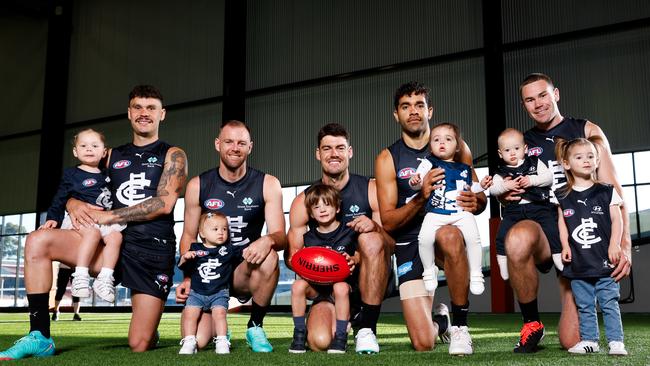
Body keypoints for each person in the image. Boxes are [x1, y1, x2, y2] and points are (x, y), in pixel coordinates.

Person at [0, 85, 187, 360]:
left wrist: (109, 216)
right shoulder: (109, 155)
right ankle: (40, 335)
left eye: (151, 108)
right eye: (137, 107)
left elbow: (165, 203)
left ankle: (149, 326)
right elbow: (78, 183)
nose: (144, 113)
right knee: (37, 241)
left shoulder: (173, 154)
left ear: (163, 114)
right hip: (105, 244)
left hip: (151, 250)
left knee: (140, 343)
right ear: (129, 113)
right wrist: (72, 203)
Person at [504, 73, 632, 353]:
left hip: (580, 237)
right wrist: (504, 191)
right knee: (516, 238)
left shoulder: (586, 131)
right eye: (529, 99)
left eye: (543, 95)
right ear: (524, 105)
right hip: (542, 227)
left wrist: (624, 246)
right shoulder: (521, 144)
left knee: (572, 341)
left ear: (556, 94)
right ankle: (531, 325)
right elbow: (507, 191)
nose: (538, 104)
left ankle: (587, 299)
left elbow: (614, 193)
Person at [375, 81, 485, 355]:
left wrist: (478, 201)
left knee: (449, 235)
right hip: (411, 242)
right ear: (396, 115)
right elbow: (388, 222)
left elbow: (478, 196)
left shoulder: (456, 146)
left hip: (447, 231)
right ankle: (441, 321)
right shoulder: (388, 158)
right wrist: (421, 196)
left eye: (419, 105)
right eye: (405, 106)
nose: (413, 111)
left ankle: (460, 326)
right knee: (423, 342)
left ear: (430, 111)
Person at [175, 120, 286, 353]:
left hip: (243, 270)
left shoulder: (268, 183)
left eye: (241, 143)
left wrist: (267, 240)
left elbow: (280, 236)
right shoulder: (198, 185)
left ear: (250, 147)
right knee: (201, 341)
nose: (235, 147)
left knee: (270, 256)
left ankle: (255, 326)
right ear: (217, 144)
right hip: (210, 274)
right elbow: (187, 235)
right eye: (228, 142)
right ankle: (218, 322)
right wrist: (188, 277)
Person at [286, 122, 395, 354]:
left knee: (371, 238)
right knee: (320, 342)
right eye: (327, 148)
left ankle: (367, 326)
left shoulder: (369, 189)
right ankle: (345, 320)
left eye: (340, 147)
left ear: (350, 152)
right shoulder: (303, 201)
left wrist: (374, 227)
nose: (334, 154)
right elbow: (292, 256)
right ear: (318, 154)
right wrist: (321, 265)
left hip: (365, 282)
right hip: (326, 288)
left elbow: (391, 244)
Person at [555, 138, 627, 356]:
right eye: (579, 157)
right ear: (566, 163)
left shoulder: (606, 191)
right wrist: (565, 245)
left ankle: (616, 342)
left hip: (605, 260)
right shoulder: (562, 195)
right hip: (579, 262)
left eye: (590, 156)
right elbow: (562, 223)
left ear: (596, 161)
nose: (586, 161)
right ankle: (590, 341)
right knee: (585, 304)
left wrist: (615, 244)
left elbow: (618, 220)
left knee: (609, 302)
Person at [39, 128, 124, 303]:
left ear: (104, 152)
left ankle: (105, 278)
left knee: (116, 237)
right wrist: (52, 218)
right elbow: (60, 198)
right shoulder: (72, 174)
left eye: (94, 145)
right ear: (75, 151)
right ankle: (81, 275)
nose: (89, 149)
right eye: (83, 146)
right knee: (92, 233)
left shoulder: (108, 175)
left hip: (103, 220)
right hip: (81, 220)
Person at [408, 122, 488, 295]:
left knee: (474, 240)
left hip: (460, 212)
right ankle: (429, 271)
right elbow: (418, 182)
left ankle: (476, 274)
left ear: (458, 146)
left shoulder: (465, 168)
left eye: (448, 139)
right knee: (424, 239)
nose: (441, 143)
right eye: (436, 140)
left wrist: (481, 185)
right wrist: (415, 182)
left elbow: (472, 189)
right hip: (436, 212)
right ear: (430, 146)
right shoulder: (429, 163)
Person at [289, 184, 359, 354]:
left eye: (327, 204)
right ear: (311, 213)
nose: (322, 209)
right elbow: (296, 261)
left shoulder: (348, 232)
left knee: (340, 286)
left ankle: (341, 336)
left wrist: (355, 259)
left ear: (337, 208)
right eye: (316, 207)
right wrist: (297, 260)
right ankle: (299, 332)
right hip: (317, 289)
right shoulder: (308, 237)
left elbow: (360, 254)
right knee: (297, 285)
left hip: (340, 289)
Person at [484, 128, 553, 281]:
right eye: (508, 150)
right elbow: (494, 189)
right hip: (514, 210)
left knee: (551, 228)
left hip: (538, 205)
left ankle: (557, 254)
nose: (513, 153)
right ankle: (502, 264)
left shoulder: (534, 162)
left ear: (525, 149)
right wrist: (506, 186)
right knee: (501, 235)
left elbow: (549, 177)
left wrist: (531, 180)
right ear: (500, 154)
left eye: (516, 148)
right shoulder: (500, 171)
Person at [178, 212, 237, 355]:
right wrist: (185, 257)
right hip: (196, 292)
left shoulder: (229, 250)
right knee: (190, 314)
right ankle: (189, 340)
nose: (221, 233)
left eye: (224, 229)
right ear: (202, 233)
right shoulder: (196, 248)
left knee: (220, 314)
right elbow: (181, 265)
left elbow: (246, 254)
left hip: (219, 292)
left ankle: (222, 340)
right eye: (215, 229)